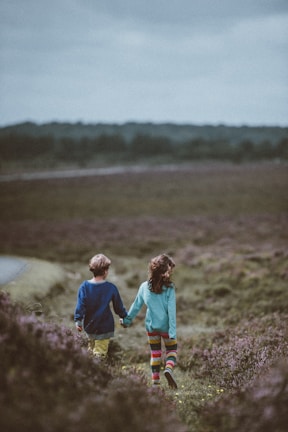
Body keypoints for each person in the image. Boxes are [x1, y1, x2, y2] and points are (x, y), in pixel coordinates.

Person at [122, 254, 178, 389]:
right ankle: (168, 369)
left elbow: (136, 306)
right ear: (164, 272)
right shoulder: (170, 288)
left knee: (155, 353)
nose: (170, 274)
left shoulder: (143, 287)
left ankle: (155, 384)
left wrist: (127, 321)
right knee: (172, 350)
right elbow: (172, 311)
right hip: (166, 327)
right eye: (169, 271)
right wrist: (172, 330)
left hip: (151, 327)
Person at [74, 253, 127, 359]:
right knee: (100, 355)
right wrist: (124, 317)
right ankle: (97, 372)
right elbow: (118, 306)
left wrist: (78, 321)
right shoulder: (111, 288)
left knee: (90, 353)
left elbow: (81, 305)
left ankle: (89, 371)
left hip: (90, 326)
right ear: (105, 271)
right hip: (105, 326)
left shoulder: (84, 286)